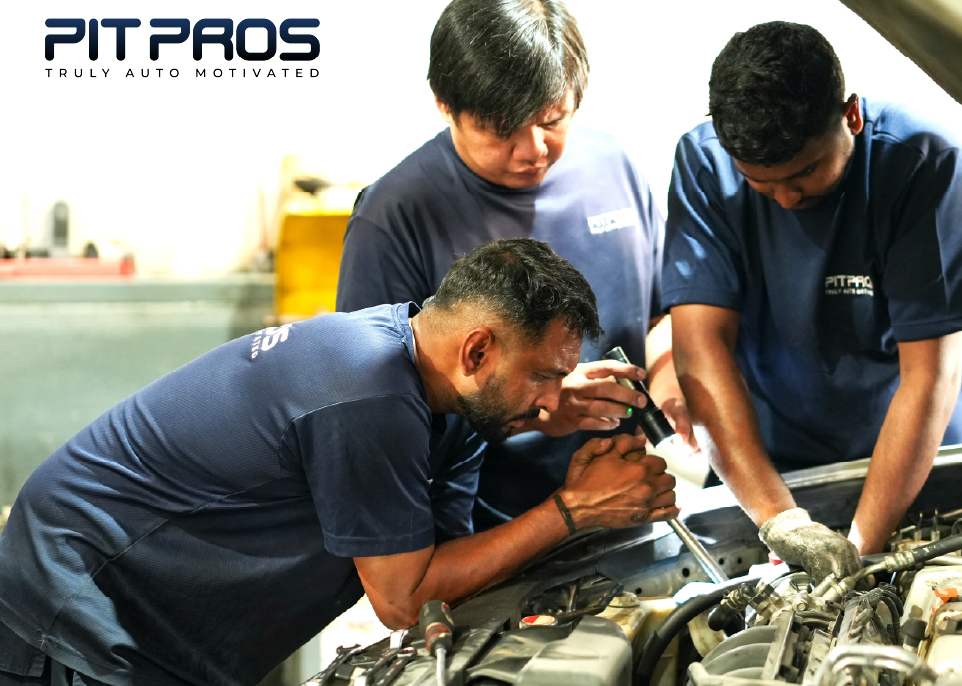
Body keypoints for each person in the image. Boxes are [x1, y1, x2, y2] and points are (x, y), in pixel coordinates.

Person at [0, 239, 678, 686]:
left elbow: (436, 576)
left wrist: (550, 434)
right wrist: (573, 511)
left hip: (165, 627)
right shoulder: (367, 388)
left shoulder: (450, 410)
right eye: (546, 376)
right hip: (79, 599)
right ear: (477, 352)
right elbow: (401, 597)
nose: (557, 397)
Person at [336, 0, 686, 528]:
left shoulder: (613, 165)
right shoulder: (396, 212)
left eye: (553, 120)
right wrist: (535, 406)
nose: (534, 149)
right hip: (484, 526)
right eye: (501, 130)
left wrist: (668, 373)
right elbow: (374, 405)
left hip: (627, 497)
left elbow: (663, 310)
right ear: (444, 105)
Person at [664, 22, 962, 582]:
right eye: (761, 185)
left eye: (806, 172)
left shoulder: (919, 163)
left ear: (851, 116)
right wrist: (780, 521)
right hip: (766, 459)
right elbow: (701, 351)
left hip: (905, 459)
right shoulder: (703, 163)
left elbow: (929, 377)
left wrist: (857, 552)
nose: (786, 199)